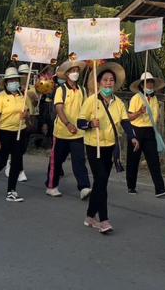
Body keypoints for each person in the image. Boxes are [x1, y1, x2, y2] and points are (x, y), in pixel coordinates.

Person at [77, 62, 132, 234]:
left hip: (111, 147)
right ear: (99, 82)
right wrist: (90, 124)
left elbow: (124, 121)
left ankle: (89, 216)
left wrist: (133, 137)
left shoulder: (118, 103)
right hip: (94, 146)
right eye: (105, 80)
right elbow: (80, 122)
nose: (108, 83)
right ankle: (104, 220)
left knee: (101, 183)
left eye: (111, 80)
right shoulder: (91, 101)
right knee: (101, 180)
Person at [45, 59, 90, 198]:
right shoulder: (61, 90)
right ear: (67, 74)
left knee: (79, 161)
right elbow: (59, 108)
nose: (75, 73)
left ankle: (84, 187)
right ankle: (51, 186)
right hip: (62, 133)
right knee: (56, 161)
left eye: (77, 71)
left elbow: (85, 109)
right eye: (72, 71)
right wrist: (68, 124)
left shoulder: (82, 90)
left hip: (78, 133)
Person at [0, 66, 28, 200]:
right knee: (1, 161)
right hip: (4, 133)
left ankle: (11, 191)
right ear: (6, 82)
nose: (14, 82)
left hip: (20, 132)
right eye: (11, 80)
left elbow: (28, 113)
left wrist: (26, 116)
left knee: (16, 162)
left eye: (16, 80)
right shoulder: (0, 98)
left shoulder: (22, 96)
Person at [126, 71, 165, 197]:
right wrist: (139, 112)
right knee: (133, 160)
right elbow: (129, 117)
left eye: (151, 82)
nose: (149, 84)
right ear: (141, 85)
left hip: (150, 131)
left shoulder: (155, 98)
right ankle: (131, 186)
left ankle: (160, 188)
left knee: (154, 161)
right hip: (137, 130)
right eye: (147, 82)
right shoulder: (136, 98)